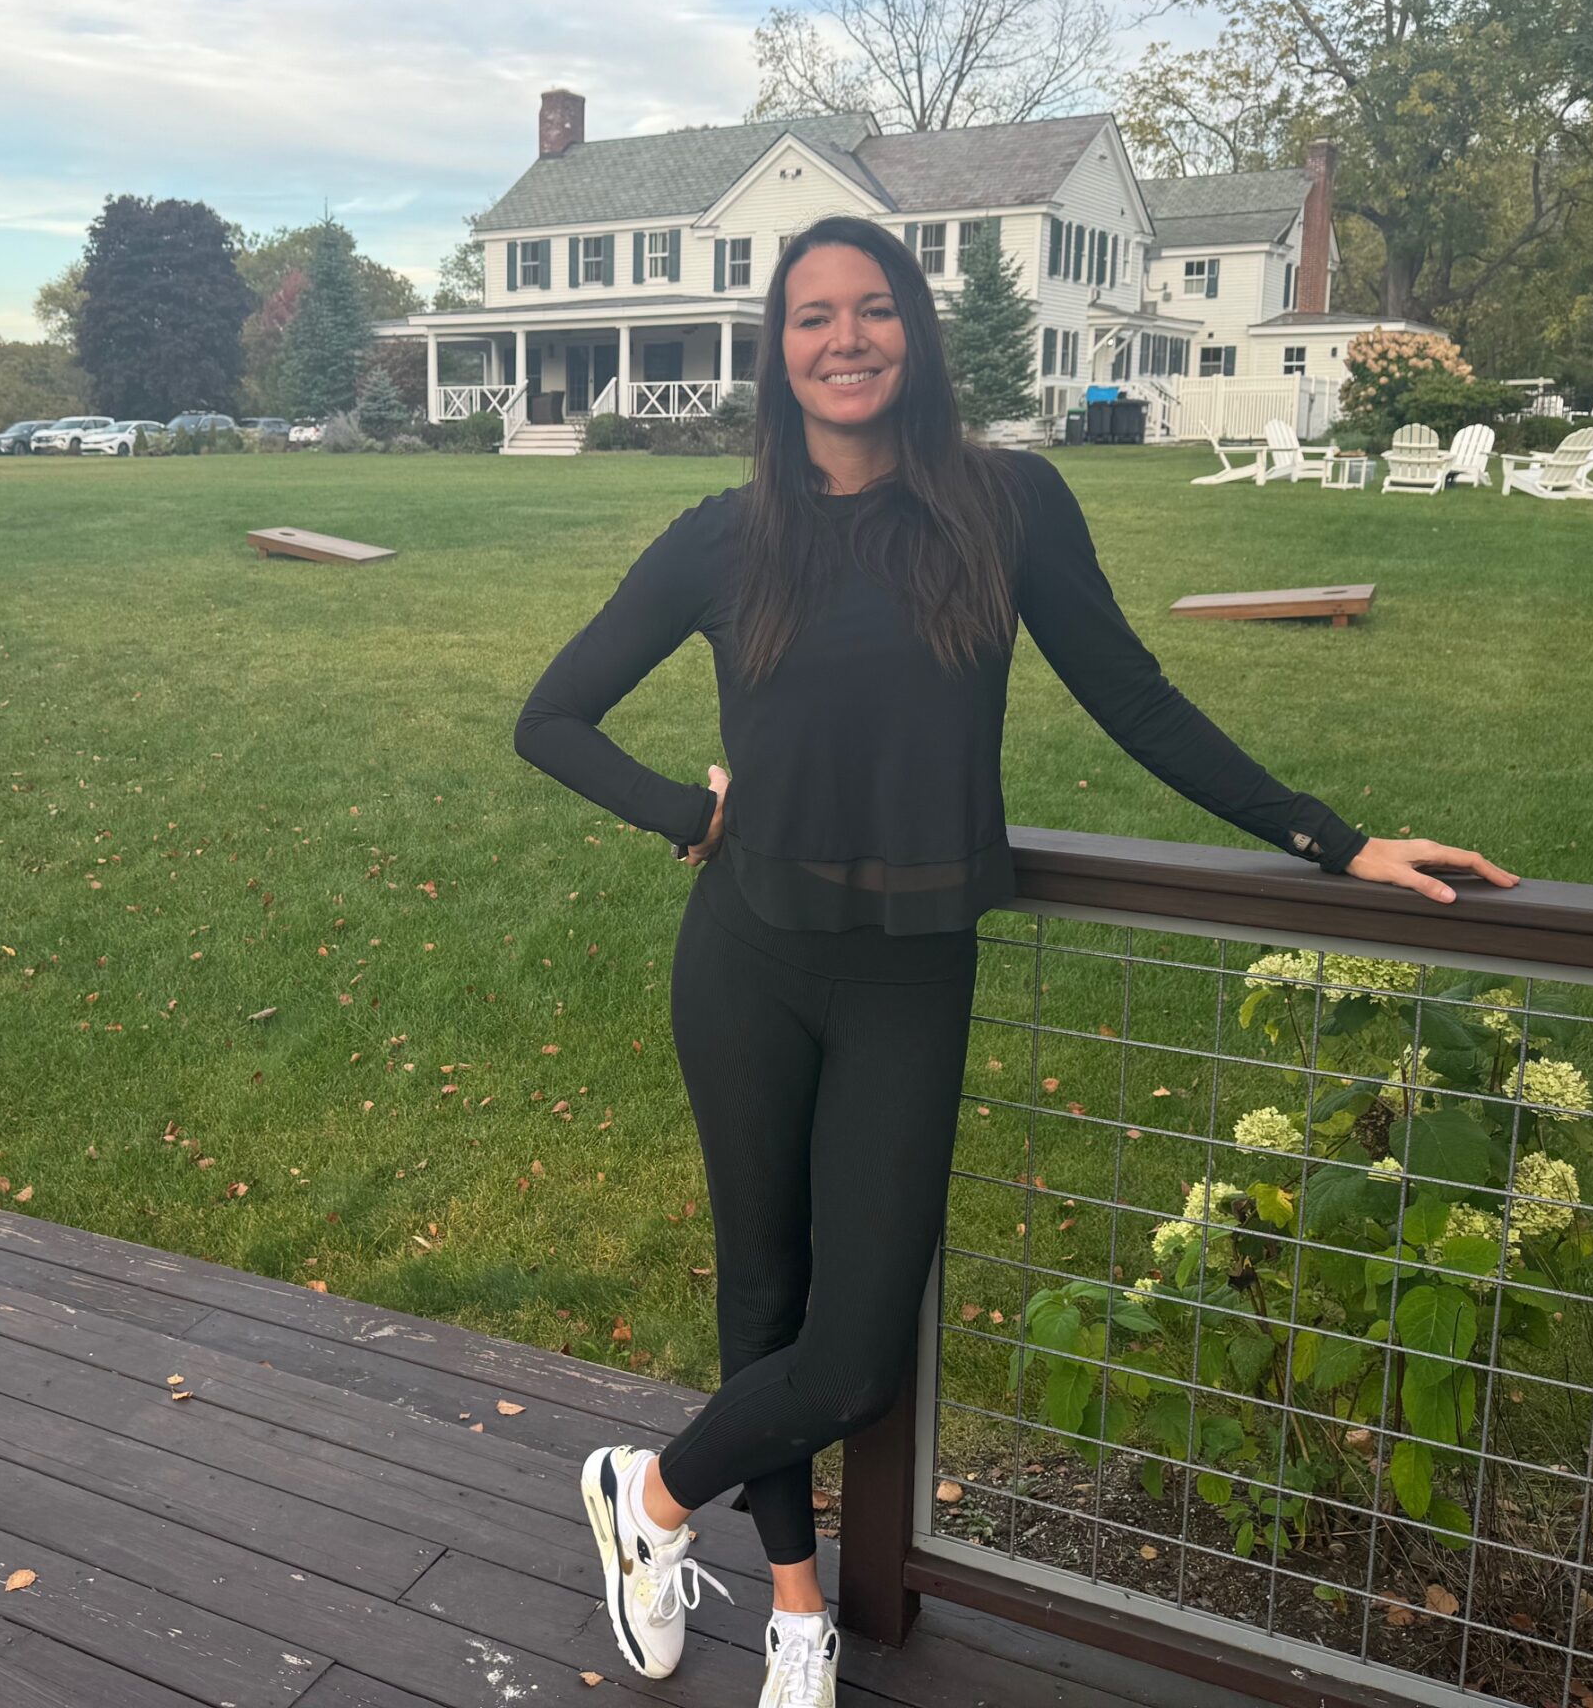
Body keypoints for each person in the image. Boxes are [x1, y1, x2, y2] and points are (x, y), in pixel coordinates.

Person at [512, 215, 1514, 1708]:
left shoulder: (1008, 504)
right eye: (811, 317)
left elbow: (1136, 698)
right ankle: (797, 1607)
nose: (844, 339)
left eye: (872, 309)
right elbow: (551, 718)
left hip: (911, 971)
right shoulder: (727, 534)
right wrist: (686, 814)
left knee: (853, 1355)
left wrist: (1334, 839)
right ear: (778, 352)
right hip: (748, 964)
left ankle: (643, 1495)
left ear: (914, 331)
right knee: (761, 1299)